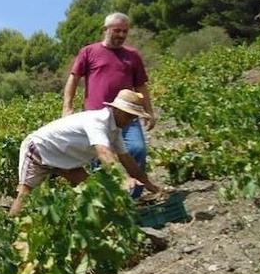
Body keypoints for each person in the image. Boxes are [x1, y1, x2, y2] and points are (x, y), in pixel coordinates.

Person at [9, 89, 161, 216]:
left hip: (64, 158)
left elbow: (126, 158)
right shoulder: (98, 121)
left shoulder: (115, 130)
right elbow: (104, 152)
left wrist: (148, 183)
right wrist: (123, 179)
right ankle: (12, 229)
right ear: (116, 110)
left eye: (134, 117)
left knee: (91, 189)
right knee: (25, 194)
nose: (131, 120)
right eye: (129, 115)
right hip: (39, 149)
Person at [62, 12, 155, 197]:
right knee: (100, 158)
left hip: (128, 115)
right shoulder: (89, 52)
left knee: (137, 149)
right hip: (96, 117)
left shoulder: (133, 56)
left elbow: (141, 85)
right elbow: (73, 79)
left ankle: (132, 198)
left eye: (125, 31)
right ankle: (106, 199)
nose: (121, 35)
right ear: (105, 30)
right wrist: (67, 107)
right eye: (117, 30)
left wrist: (149, 111)